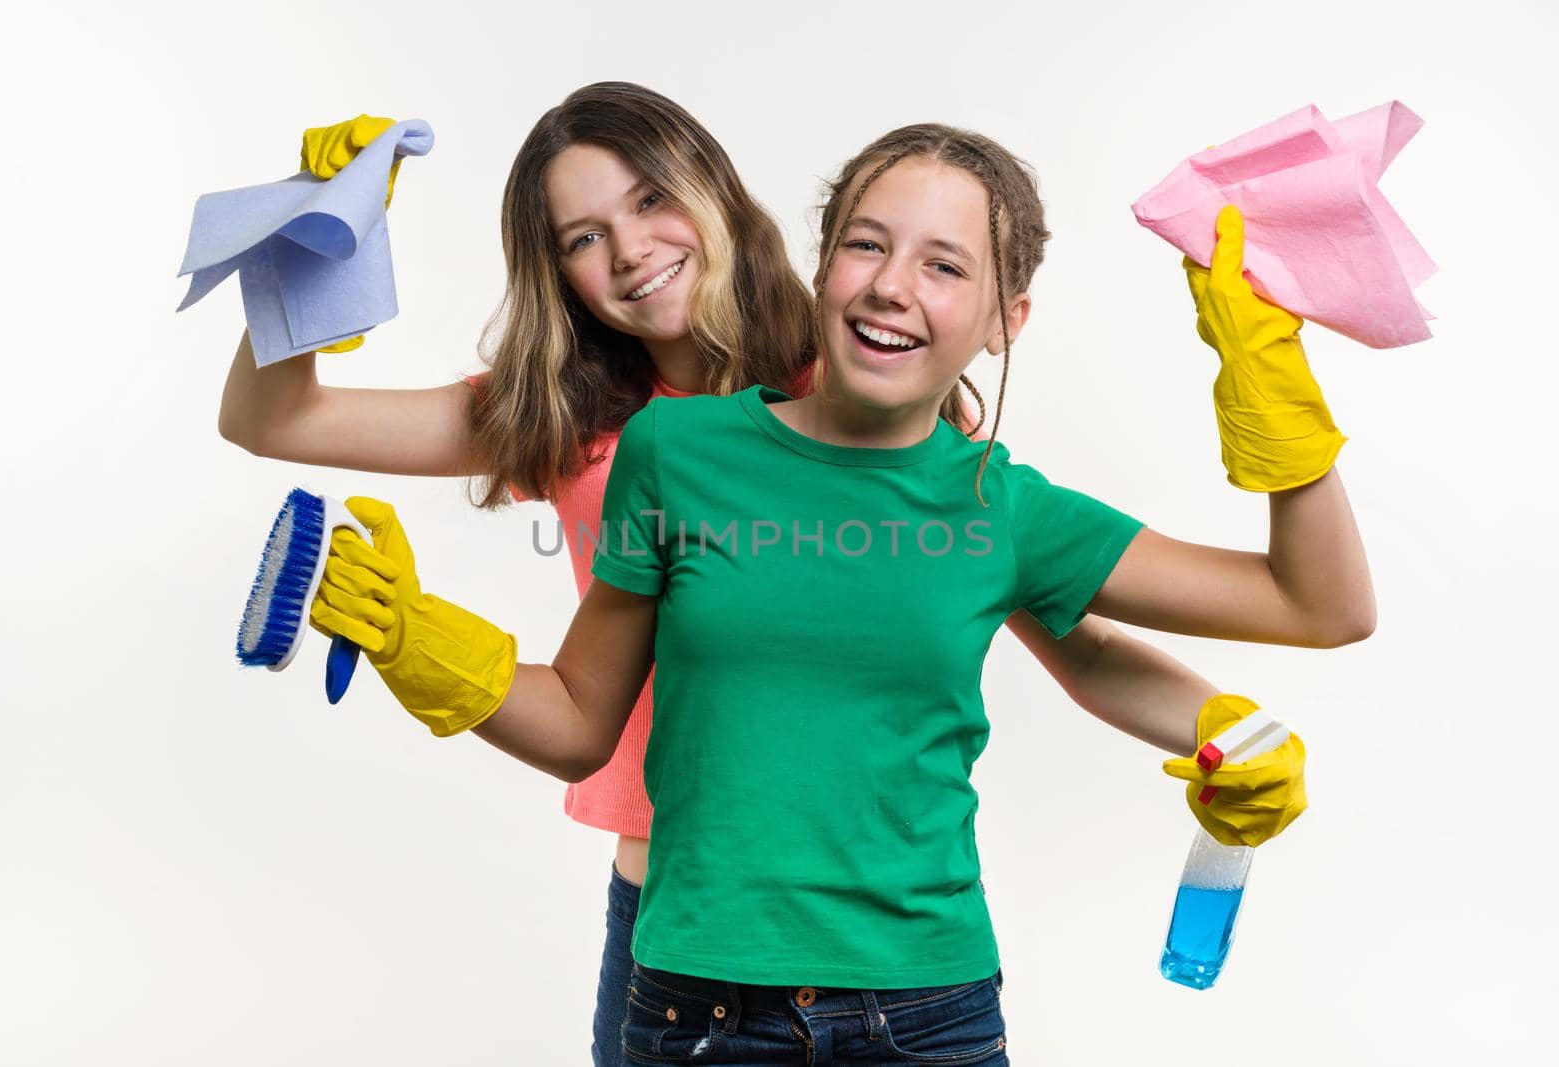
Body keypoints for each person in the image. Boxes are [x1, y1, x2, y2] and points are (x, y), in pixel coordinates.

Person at [306, 119, 1364, 1064]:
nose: (893, 283)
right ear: (821, 269)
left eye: (944, 265)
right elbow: (585, 720)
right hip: (693, 1007)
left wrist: (1272, 397)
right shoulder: (674, 449)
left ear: (1008, 316)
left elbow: (1313, 606)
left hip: (930, 1011)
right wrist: (424, 645)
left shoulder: (1000, 504)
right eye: (867, 242)